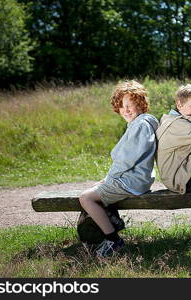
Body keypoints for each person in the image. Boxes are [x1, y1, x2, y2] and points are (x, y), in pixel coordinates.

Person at [79, 80, 159, 258]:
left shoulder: (140, 125)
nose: (126, 110)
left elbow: (128, 159)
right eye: (122, 107)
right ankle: (113, 220)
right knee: (96, 190)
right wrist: (108, 179)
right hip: (136, 178)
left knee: (86, 198)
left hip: (132, 180)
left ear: (141, 104)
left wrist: (110, 179)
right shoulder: (139, 124)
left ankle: (113, 239)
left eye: (131, 105)